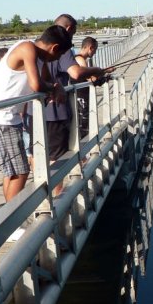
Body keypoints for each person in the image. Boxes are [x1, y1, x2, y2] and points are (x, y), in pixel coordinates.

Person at [0, 25, 72, 204]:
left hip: (8, 117)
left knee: (13, 171)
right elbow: (37, 84)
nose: (57, 59)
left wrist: (56, 87)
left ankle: (10, 219)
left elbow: (47, 81)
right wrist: (52, 89)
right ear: (54, 48)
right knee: (20, 171)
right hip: (1, 117)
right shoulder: (27, 48)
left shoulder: (39, 58)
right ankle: (13, 223)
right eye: (59, 55)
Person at [44, 14, 113, 195]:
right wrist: (97, 71)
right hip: (56, 110)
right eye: (73, 33)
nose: (72, 38)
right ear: (68, 30)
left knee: (46, 154)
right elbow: (75, 73)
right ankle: (57, 200)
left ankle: (53, 196)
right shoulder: (63, 48)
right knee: (57, 157)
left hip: (39, 111)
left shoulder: (38, 46)